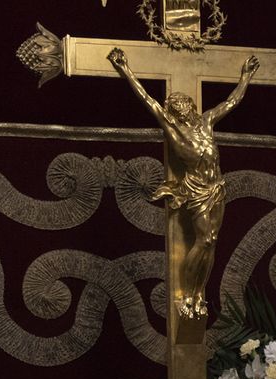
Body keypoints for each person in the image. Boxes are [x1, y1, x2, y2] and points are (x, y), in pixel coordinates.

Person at [107, 46, 259, 319]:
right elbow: (147, 99)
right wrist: (125, 69)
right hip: (197, 190)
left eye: (185, 103)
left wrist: (245, 77)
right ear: (173, 112)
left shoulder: (207, 121)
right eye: (176, 106)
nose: (182, 107)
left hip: (217, 188)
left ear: (191, 106)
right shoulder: (173, 129)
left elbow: (231, 102)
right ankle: (187, 293)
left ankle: (200, 292)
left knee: (212, 241)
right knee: (203, 239)